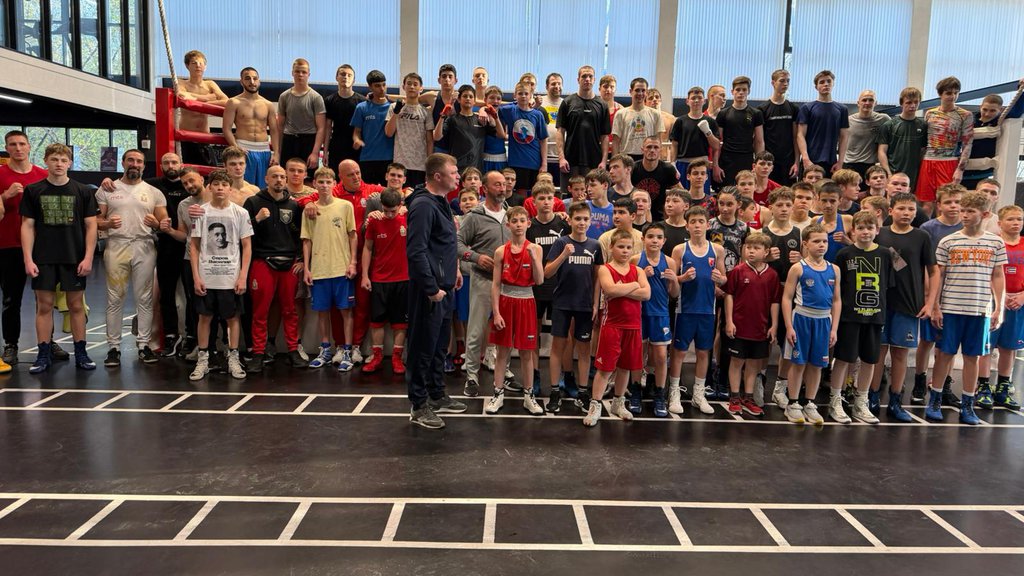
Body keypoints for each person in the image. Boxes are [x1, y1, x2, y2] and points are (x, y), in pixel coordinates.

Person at [926, 191, 1005, 425]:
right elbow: (938, 275)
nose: (965, 215)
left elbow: (998, 275)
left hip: (979, 309)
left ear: (985, 214)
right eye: (963, 210)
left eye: (971, 211)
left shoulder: (995, 242)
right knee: (944, 355)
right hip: (951, 307)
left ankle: (968, 404)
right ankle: (935, 400)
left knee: (973, 357)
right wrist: (936, 306)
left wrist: (999, 308)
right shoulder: (948, 241)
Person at [19, 143, 97, 373]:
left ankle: (81, 353)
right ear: (46, 161)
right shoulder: (33, 190)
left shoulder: (83, 191)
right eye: (54, 159)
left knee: (76, 305)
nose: (59, 164)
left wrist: (88, 257)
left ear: (70, 163)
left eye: (63, 160)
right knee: (43, 306)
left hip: (74, 257)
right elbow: (27, 226)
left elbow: (91, 226)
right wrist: (28, 259)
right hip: (43, 257)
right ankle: (43, 354)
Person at [406, 153, 468, 429]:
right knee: (423, 348)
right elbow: (416, 251)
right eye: (453, 173)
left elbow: (444, 245)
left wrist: (454, 271)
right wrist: (431, 288)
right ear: (437, 176)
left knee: (439, 347)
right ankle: (419, 406)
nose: (458, 177)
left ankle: (436, 394)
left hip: (445, 287)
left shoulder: (441, 202)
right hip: (429, 292)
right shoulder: (423, 205)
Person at [96, 149, 168, 366]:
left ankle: (144, 344)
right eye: (131, 160)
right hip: (116, 245)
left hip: (144, 245)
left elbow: (164, 221)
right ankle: (113, 348)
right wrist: (107, 223)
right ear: (123, 162)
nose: (134, 164)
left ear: (144, 166)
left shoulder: (153, 192)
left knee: (144, 298)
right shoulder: (107, 189)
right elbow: (96, 220)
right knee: (115, 298)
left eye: (139, 161)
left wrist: (157, 223)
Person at [871, 192, 937, 422]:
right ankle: (871, 398)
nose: (906, 213)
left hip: (909, 304)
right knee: (878, 352)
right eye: (901, 208)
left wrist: (930, 303)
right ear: (891, 211)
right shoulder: (880, 233)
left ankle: (896, 401)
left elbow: (933, 271)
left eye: (911, 209)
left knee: (900, 354)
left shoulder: (922, 236)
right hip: (881, 302)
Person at [826, 212, 894, 424]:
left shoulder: (885, 254)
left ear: (877, 230)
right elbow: (837, 290)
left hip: (875, 317)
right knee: (843, 359)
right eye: (861, 228)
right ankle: (835, 401)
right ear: (853, 231)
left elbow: (888, 286)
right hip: (849, 317)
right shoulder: (844, 254)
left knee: (869, 360)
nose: (865, 232)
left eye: (870, 228)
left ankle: (860, 402)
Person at [188, 169, 252, 381]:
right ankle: (203, 359)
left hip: (230, 277)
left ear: (230, 189)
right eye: (216, 184)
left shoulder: (240, 213)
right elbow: (194, 246)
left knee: (233, 318)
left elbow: (246, 246)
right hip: (207, 275)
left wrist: (243, 276)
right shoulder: (200, 212)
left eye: (224, 185)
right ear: (209, 187)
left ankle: (233, 357)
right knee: (204, 318)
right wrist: (196, 276)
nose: (220, 188)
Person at [584, 229, 651, 426]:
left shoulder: (637, 271)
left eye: (629, 247)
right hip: (612, 325)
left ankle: (618, 403)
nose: (625, 251)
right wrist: (634, 286)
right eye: (621, 247)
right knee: (605, 368)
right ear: (611, 247)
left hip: (633, 326)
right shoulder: (605, 269)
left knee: (625, 367)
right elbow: (610, 289)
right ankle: (595, 405)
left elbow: (647, 294)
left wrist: (623, 288)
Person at [484, 206, 546, 415]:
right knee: (502, 351)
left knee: (527, 352)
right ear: (508, 224)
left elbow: (539, 280)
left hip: (526, 301)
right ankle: (498, 393)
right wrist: (496, 312)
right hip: (506, 301)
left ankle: (529, 396)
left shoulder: (536, 249)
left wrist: (534, 259)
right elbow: (495, 284)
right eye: (515, 221)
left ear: (528, 223)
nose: (519, 225)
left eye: (522, 220)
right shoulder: (501, 251)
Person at [244, 165, 306, 371]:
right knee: (260, 311)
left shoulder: (294, 205)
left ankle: (293, 350)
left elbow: (302, 235)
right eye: (275, 176)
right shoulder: (253, 202)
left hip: (289, 263)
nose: (279, 180)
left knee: (290, 310)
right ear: (266, 179)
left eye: (282, 177)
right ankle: (258, 353)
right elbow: (242, 232)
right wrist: (256, 219)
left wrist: (301, 259)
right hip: (263, 261)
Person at [545, 201, 602, 411]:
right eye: (578, 218)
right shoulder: (561, 243)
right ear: (570, 220)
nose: (581, 222)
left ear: (590, 221)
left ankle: (583, 391)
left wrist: (596, 303)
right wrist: (563, 256)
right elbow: (547, 273)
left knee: (584, 349)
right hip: (562, 303)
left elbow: (597, 278)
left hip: (585, 305)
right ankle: (554, 390)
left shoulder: (595, 245)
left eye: (585, 219)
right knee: (558, 347)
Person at [457, 171, 511, 396]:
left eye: (504, 184)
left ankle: (504, 371)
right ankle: (471, 376)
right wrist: (475, 257)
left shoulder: (511, 215)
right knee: (476, 331)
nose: (502, 188)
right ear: (485, 189)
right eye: (497, 184)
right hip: (482, 279)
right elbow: (457, 243)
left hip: (508, 282)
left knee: (506, 331)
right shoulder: (474, 216)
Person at [669, 206, 727, 414]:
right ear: (687, 226)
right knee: (679, 352)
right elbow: (671, 279)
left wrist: (720, 279)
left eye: (701, 221)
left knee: (704, 352)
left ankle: (698, 394)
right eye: (692, 222)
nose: (697, 225)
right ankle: (674, 392)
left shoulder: (717, 250)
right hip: (684, 309)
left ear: (707, 225)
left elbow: (724, 279)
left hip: (707, 310)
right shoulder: (680, 250)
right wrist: (683, 278)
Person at [781, 224, 841, 425]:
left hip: (824, 321)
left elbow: (836, 301)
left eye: (824, 241)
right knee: (798, 363)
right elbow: (787, 298)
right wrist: (789, 326)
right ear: (805, 244)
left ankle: (810, 403)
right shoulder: (798, 268)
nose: (821, 245)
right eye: (816, 241)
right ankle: (793, 403)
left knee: (817, 364)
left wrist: (834, 329)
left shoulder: (834, 269)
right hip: (802, 319)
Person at [300, 166, 358, 372]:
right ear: (315, 184)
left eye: (328, 182)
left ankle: (347, 351)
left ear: (334, 184)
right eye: (321, 182)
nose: (324, 186)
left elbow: (352, 235)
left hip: (342, 269)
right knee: (322, 312)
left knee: (346, 311)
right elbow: (306, 240)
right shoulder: (309, 210)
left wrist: (353, 262)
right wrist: (307, 269)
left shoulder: (345, 206)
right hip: (319, 269)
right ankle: (325, 349)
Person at [0, 130, 49, 366]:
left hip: (41, 246)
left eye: (22, 144)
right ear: (6, 147)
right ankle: (11, 343)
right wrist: (5, 196)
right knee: (12, 298)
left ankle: (47, 341)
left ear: (29, 147)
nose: (18, 148)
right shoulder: (0, 174)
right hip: (8, 244)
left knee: (45, 298)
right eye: (13, 144)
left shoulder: (43, 175)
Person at [914, 184, 965, 405]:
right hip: (932, 291)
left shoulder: (966, 227)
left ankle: (943, 385)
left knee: (949, 344)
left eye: (957, 202)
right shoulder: (928, 228)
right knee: (927, 340)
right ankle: (919, 379)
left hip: (957, 294)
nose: (953, 206)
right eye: (948, 202)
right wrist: (931, 299)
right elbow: (927, 266)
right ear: (939, 205)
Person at [724, 232, 779, 416]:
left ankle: (748, 397)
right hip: (739, 326)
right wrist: (729, 321)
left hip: (760, 327)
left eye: (756, 248)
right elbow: (729, 295)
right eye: (748, 247)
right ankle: (734, 396)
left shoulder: (772, 275)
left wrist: (774, 325)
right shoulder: (738, 271)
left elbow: (775, 301)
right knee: (736, 361)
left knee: (754, 363)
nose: (751, 251)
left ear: (766, 251)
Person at [629, 223, 679, 417]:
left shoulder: (670, 262)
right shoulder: (636, 260)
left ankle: (659, 394)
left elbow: (674, 294)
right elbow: (630, 288)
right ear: (643, 239)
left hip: (660, 314)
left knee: (660, 356)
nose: (655, 240)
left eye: (659, 237)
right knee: (637, 355)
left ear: (664, 240)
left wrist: (674, 280)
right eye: (650, 236)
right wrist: (642, 274)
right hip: (639, 313)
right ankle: (635, 392)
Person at [525, 183, 570, 391]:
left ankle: (564, 375)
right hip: (535, 288)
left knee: (562, 336)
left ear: (555, 201)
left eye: (549, 198)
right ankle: (534, 375)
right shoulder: (529, 227)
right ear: (533, 202)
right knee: (532, 333)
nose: (546, 202)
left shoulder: (564, 224)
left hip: (560, 287)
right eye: (541, 198)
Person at [979, 205, 1024, 409]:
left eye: (1019, 219)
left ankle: (1003, 388)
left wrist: (1022, 296)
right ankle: (983, 387)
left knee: (1009, 346)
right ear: (999, 223)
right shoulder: (993, 244)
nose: (1016, 223)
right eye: (1011, 219)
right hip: (994, 301)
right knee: (987, 345)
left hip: (1018, 303)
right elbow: (987, 273)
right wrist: (1000, 296)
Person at [361, 188, 409, 375]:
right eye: (386, 210)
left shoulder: (407, 217)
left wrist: (407, 209)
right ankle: (377, 357)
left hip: (403, 279)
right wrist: (365, 275)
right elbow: (367, 248)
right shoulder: (374, 220)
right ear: (381, 205)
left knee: (400, 322)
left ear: (400, 205)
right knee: (377, 321)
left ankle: (397, 358)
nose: (389, 214)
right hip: (379, 279)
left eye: (393, 211)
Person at [762, 188, 802, 404]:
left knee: (788, 341)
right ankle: (759, 380)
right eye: (779, 205)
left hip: (791, 294)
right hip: (766, 293)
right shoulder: (762, 233)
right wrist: (765, 259)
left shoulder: (799, 233)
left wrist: (801, 259)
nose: (784, 209)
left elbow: (809, 263)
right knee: (764, 339)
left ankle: (780, 386)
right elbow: (748, 263)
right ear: (771, 208)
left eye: (788, 205)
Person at [917, 76, 974, 218]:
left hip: (948, 162)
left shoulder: (965, 115)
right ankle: (926, 230)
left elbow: (967, 143)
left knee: (946, 203)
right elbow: (924, 140)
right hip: (928, 161)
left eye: (956, 93)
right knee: (926, 204)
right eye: (949, 93)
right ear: (940, 94)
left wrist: (960, 169)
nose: (953, 96)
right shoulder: (930, 113)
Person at [167, 168, 207, 359]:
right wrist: (169, 230)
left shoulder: (216, 199)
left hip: (215, 259)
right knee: (193, 301)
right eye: (185, 183)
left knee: (217, 301)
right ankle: (196, 341)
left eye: (192, 180)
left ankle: (220, 345)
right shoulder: (183, 204)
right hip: (190, 259)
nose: (189, 185)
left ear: (202, 179)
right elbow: (184, 235)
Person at [222, 67, 280, 189]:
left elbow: (274, 131)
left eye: (255, 78)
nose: (252, 82)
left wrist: (276, 153)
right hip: (243, 149)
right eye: (247, 78)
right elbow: (226, 128)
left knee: (263, 189)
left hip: (264, 150)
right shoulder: (234, 102)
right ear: (241, 81)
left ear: (259, 81)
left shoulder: (268, 104)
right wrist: (236, 147)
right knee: (243, 188)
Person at [435, 84, 504, 174]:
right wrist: (442, 116)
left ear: (474, 101)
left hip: (476, 170)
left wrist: (496, 117)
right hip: (456, 170)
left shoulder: (481, 119)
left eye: (471, 96)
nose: (468, 98)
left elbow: (501, 135)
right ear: (459, 100)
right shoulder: (452, 119)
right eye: (465, 96)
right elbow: (437, 137)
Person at [557, 66, 611, 182]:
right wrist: (561, 158)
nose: (587, 79)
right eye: (584, 76)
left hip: (594, 161)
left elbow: (605, 136)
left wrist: (603, 161)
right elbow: (560, 131)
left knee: (591, 192)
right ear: (578, 80)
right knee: (569, 192)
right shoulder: (567, 102)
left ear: (594, 80)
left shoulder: (602, 105)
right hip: (570, 160)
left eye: (590, 76)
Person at [176, 50, 229, 165]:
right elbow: (183, 96)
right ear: (187, 66)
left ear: (205, 66)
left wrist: (198, 99)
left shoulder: (210, 84)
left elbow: (227, 101)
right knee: (187, 170)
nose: (198, 66)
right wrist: (209, 97)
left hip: (204, 137)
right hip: (186, 136)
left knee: (208, 171)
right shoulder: (181, 83)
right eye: (194, 63)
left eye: (201, 63)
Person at [277, 58, 326, 177]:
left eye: (304, 72)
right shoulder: (284, 96)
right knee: (286, 177)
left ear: (309, 74)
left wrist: (315, 153)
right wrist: (277, 152)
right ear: (292, 73)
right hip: (289, 141)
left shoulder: (316, 98)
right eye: (297, 71)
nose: (300, 75)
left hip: (308, 141)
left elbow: (321, 128)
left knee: (308, 178)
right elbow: (280, 126)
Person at [500, 81, 549, 197]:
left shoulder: (538, 115)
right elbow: (492, 106)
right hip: (516, 162)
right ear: (515, 95)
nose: (523, 96)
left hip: (534, 161)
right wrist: (482, 110)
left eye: (526, 94)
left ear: (531, 95)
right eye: (520, 93)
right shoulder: (509, 110)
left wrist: (544, 163)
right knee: (519, 195)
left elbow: (543, 140)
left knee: (534, 195)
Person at [384, 72, 433, 188]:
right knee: (398, 195)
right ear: (403, 86)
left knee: (417, 195)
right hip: (399, 164)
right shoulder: (393, 107)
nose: (412, 87)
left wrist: (429, 165)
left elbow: (430, 140)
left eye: (415, 84)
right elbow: (389, 133)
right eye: (409, 84)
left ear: (421, 88)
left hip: (420, 164)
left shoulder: (426, 112)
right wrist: (397, 112)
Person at [797, 70, 849, 176]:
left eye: (829, 81)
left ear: (833, 84)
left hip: (831, 162)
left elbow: (844, 137)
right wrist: (805, 158)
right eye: (822, 82)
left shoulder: (842, 109)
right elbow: (800, 135)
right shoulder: (807, 108)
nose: (826, 84)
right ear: (816, 87)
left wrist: (840, 162)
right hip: (811, 161)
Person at [715, 76, 765, 186]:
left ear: (749, 91)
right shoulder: (723, 113)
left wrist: (759, 164)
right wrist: (716, 165)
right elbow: (717, 142)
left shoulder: (756, 113)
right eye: (738, 90)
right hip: (727, 159)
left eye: (744, 90)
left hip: (747, 159)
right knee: (727, 191)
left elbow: (759, 141)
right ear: (732, 92)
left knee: (745, 191)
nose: (741, 93)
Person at [670, 86, 720, 192]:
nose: (696, 100)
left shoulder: (710, 121)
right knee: (683, 196)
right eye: (693, 98)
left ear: (704, 101)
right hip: (683, 164)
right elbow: (674, 144)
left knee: (702, 195)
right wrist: (673, 164)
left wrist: (708, 131)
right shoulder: (680, 121)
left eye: (699, 98)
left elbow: (716, 146)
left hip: (702, 164)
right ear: (687, 101)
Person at [877, 87, 927, 192]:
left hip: (914, 174)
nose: (913, 105)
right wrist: (888, 173)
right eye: (909, 102)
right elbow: (882, 151)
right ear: (901, 103)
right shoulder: (889, 125)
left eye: (916, 102)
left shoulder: (923, 125)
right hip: (893, 171)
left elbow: (923, 151)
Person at [352, 70, 395, 185]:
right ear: (370, 87)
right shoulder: (361, 108)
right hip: (367, 157)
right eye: (377, 86)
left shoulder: (393, 107)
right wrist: (357, 140)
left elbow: (411, 98)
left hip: (389, 158)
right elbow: (357, 131)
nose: (382, 89)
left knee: (388, 193)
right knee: (367, 193)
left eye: (384, 85)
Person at [758, 69, 800, 185]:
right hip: (770, 162)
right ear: (773, 83)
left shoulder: (793, 108)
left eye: (788, 81)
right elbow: (760, 140)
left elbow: (796, 137)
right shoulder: (762, 109)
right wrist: (762, 162)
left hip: (788, 162)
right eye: (782, 81)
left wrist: (797, 161)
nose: (785, 84)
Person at [324, 64, 367, 170]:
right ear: (336, 77)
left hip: (356, 147)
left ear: (354, 80)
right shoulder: (329, 100)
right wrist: (325, 151)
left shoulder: (362, 101)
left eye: (349, 75)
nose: (346, 77)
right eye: (343, 74)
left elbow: (365, 127)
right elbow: (328, 128)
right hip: (336, 147)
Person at [611, 77, 664, 161]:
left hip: (648, 156)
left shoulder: (655, 114)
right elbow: (615, 141)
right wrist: (615, 161)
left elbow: (659, 140)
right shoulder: (620, 114)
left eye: (643, 90)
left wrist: (658, 160)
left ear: (646, 92)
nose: (640, 93)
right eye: (637, 90)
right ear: (630, 91)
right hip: (626, 157)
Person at [844, 90, 889, 186]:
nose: (867, 103)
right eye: (864, 100)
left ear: (875, 103)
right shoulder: (848, 120)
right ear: (858, 103)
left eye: (871, 100)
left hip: (870, 166)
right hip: (850, 164)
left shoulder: (883, 119)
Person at [631, 137, 679, 221]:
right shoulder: (633, 169)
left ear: (660, 150)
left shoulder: (668, 169)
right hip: (636, 216)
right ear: (642, 149)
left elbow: (679, 191)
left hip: (659, 217)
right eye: (649, 147)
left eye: (656, 147)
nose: (652, 150)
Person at [814, 180, 853, 262]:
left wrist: (847, 241)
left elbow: (860, 250)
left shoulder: (848, 220)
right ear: (818, 200)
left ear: (840, 200)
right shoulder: (815, 221)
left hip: (843, 267)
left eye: (832, 201)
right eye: (824, 200)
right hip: (820, 267)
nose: (828, 205)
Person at [541, 73, 564, 181]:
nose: (557, 86)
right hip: (543, 156)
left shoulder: (566, 103)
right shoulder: (540, 102)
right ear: (546, 86)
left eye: (559, 84)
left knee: (559, 187)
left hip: (560, 156)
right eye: (553, 84)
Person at [645, 88, 677, 163]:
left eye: (657, 97)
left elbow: (675, 143)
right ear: (645, 102)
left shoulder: (670, 119)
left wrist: (673, 161)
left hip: (664, 158)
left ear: (661, 100)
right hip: (645, 158)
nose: (654, 100)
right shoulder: (642, 119)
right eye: (650, 98)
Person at [585, 169, 614, 239]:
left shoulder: (615, 211)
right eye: (587, 186)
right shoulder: (583, 207)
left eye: (593, 185)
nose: (588, 189)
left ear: (605, 185)